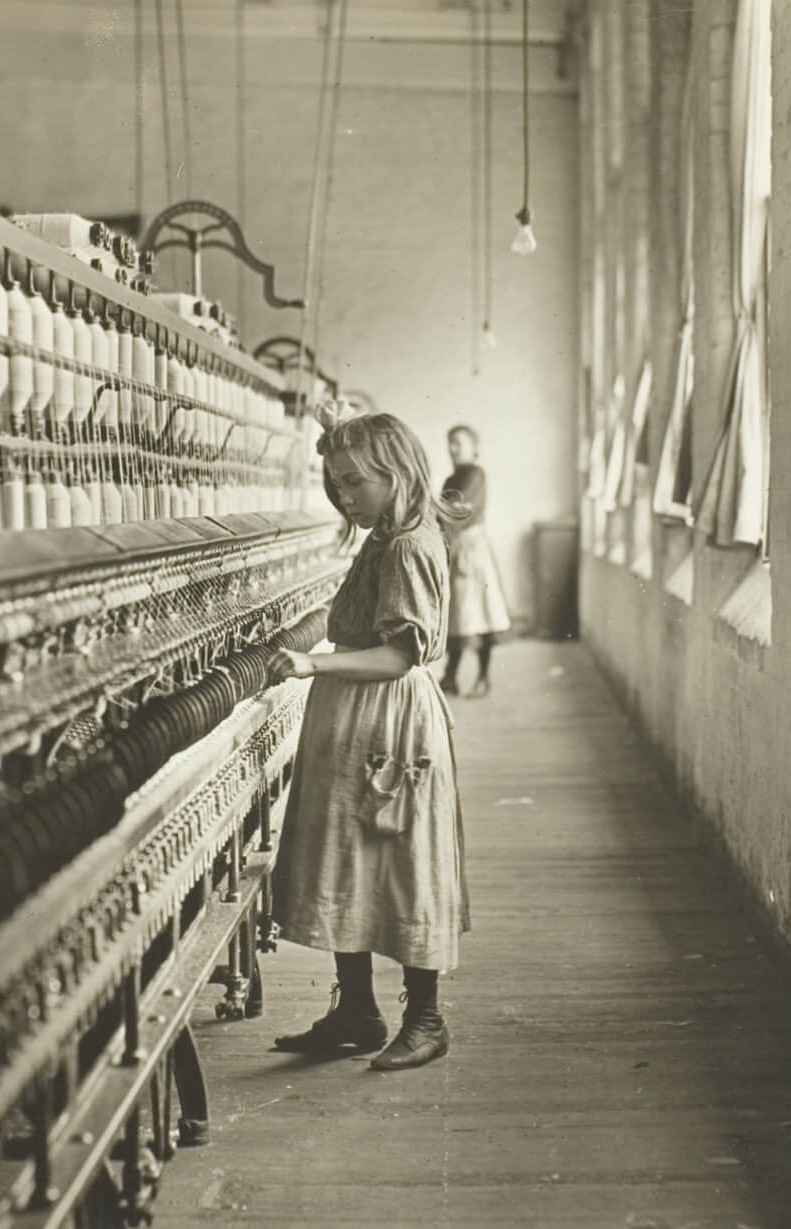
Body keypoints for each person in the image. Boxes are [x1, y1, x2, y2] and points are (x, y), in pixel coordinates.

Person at [266, 409, 470, 1071]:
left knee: (404, 862)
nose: (343, 495)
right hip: (358, 718)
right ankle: (356, 1009)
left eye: (355, 481)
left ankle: (427, 1018)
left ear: (398, 474)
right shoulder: (386, 535)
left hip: (388, 719)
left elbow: (398, 656)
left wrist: (310, 663)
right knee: (348, 855)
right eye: (335, 483)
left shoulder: (409, 544)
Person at [439, 425, 511, 697]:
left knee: (481, 614)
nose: (453, 448)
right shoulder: (450, 479)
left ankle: (483, 678)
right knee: (459, 614)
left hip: (472, 550)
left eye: (458, 443)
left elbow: (459, 510)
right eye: (450, 443)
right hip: (457, 548)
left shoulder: (475, 475)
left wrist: (436, 518)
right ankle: (450, 677)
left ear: (474, 447)